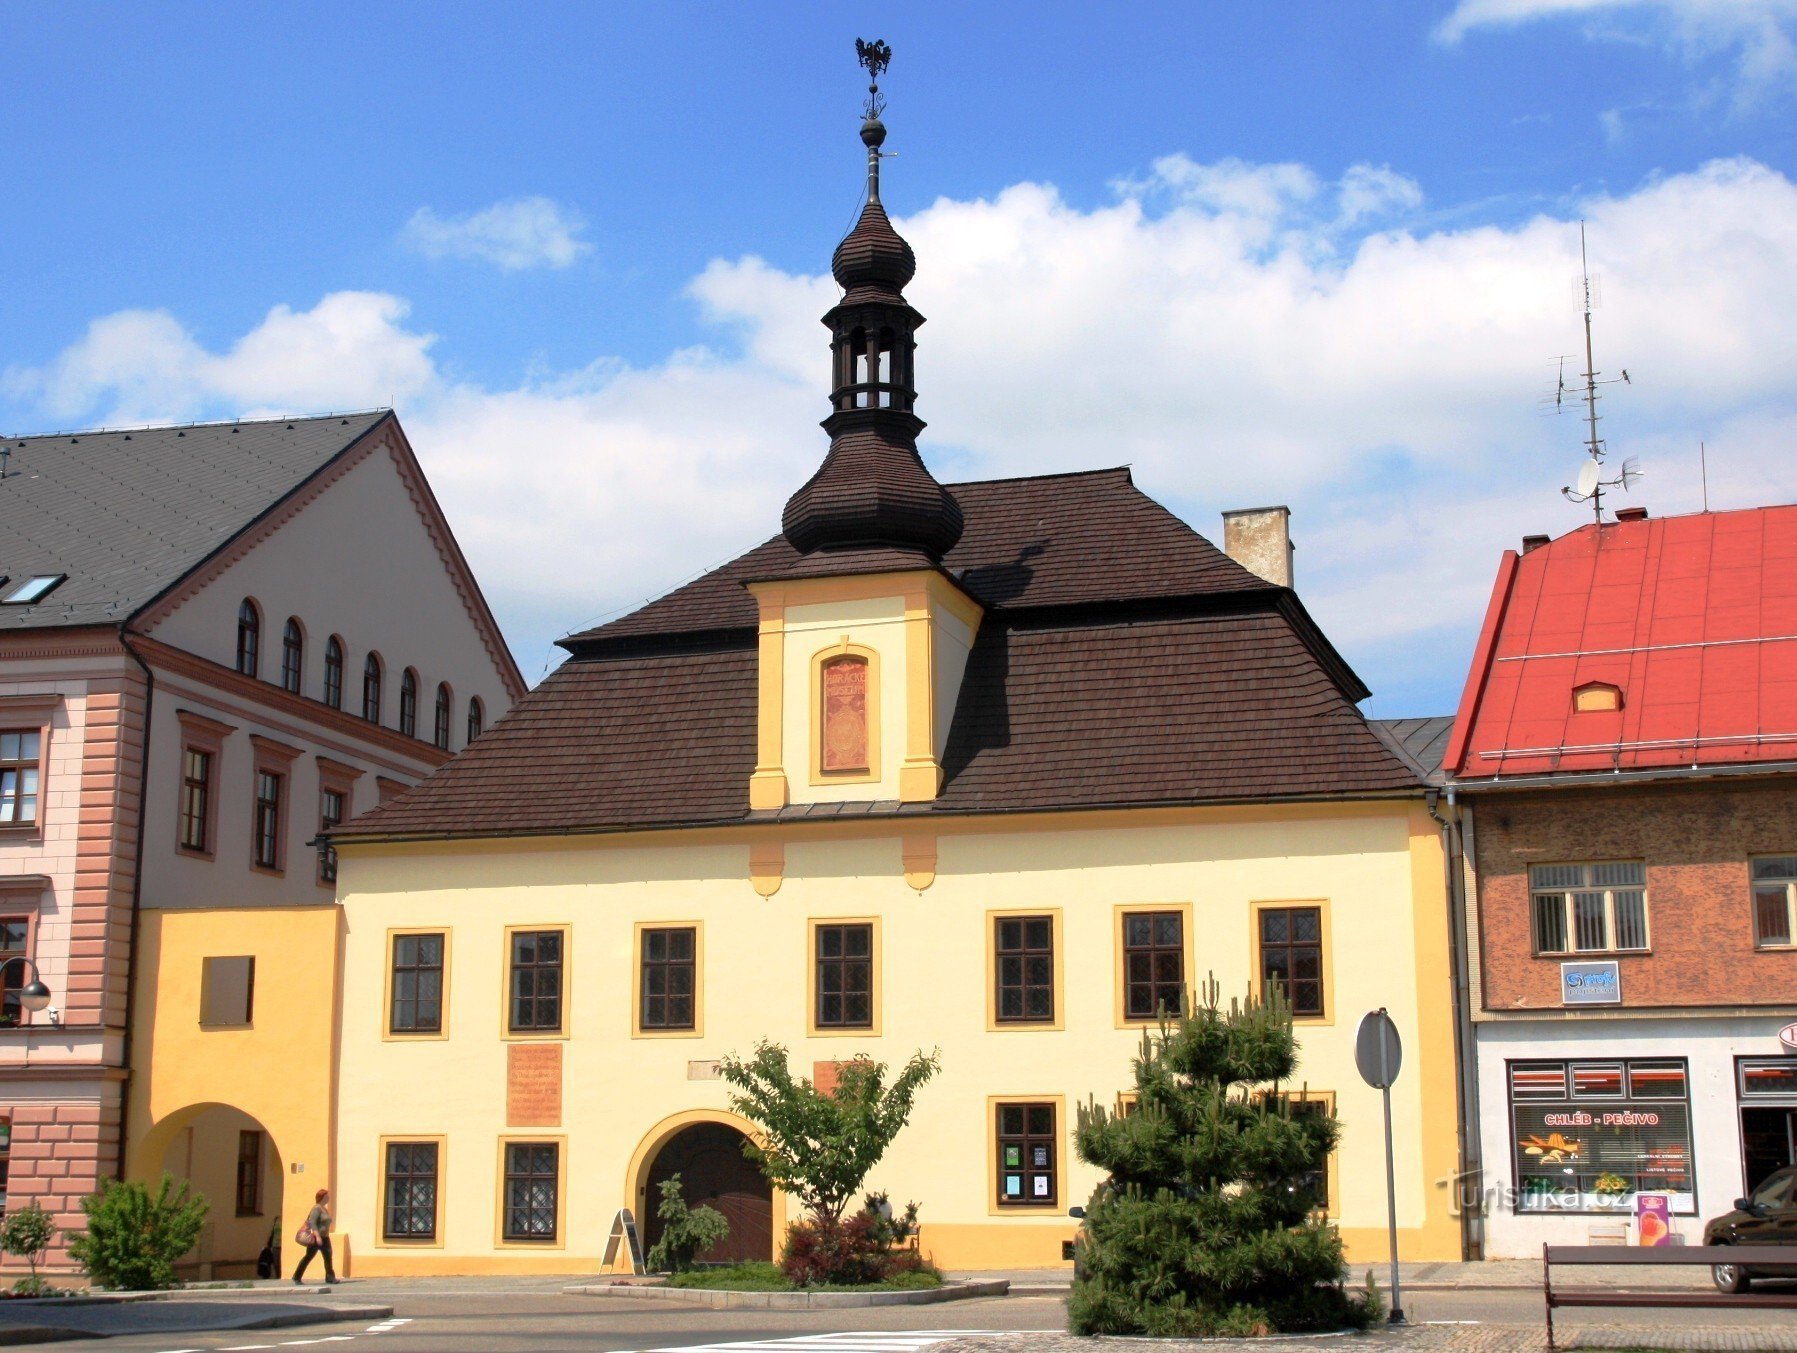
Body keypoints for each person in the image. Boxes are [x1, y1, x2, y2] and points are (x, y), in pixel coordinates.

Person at [293, 1187, 335, 1285]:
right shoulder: (316, 1208)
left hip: (325, 1238)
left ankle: (330, 1277)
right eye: (326, 1196)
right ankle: (296, 1276)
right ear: (322, 1197)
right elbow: (312, 1222)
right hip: (318, 1238)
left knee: (328, 1257)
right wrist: (317, 1236)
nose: (328, 1198)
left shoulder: (324, 1208)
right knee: (308, 1257)